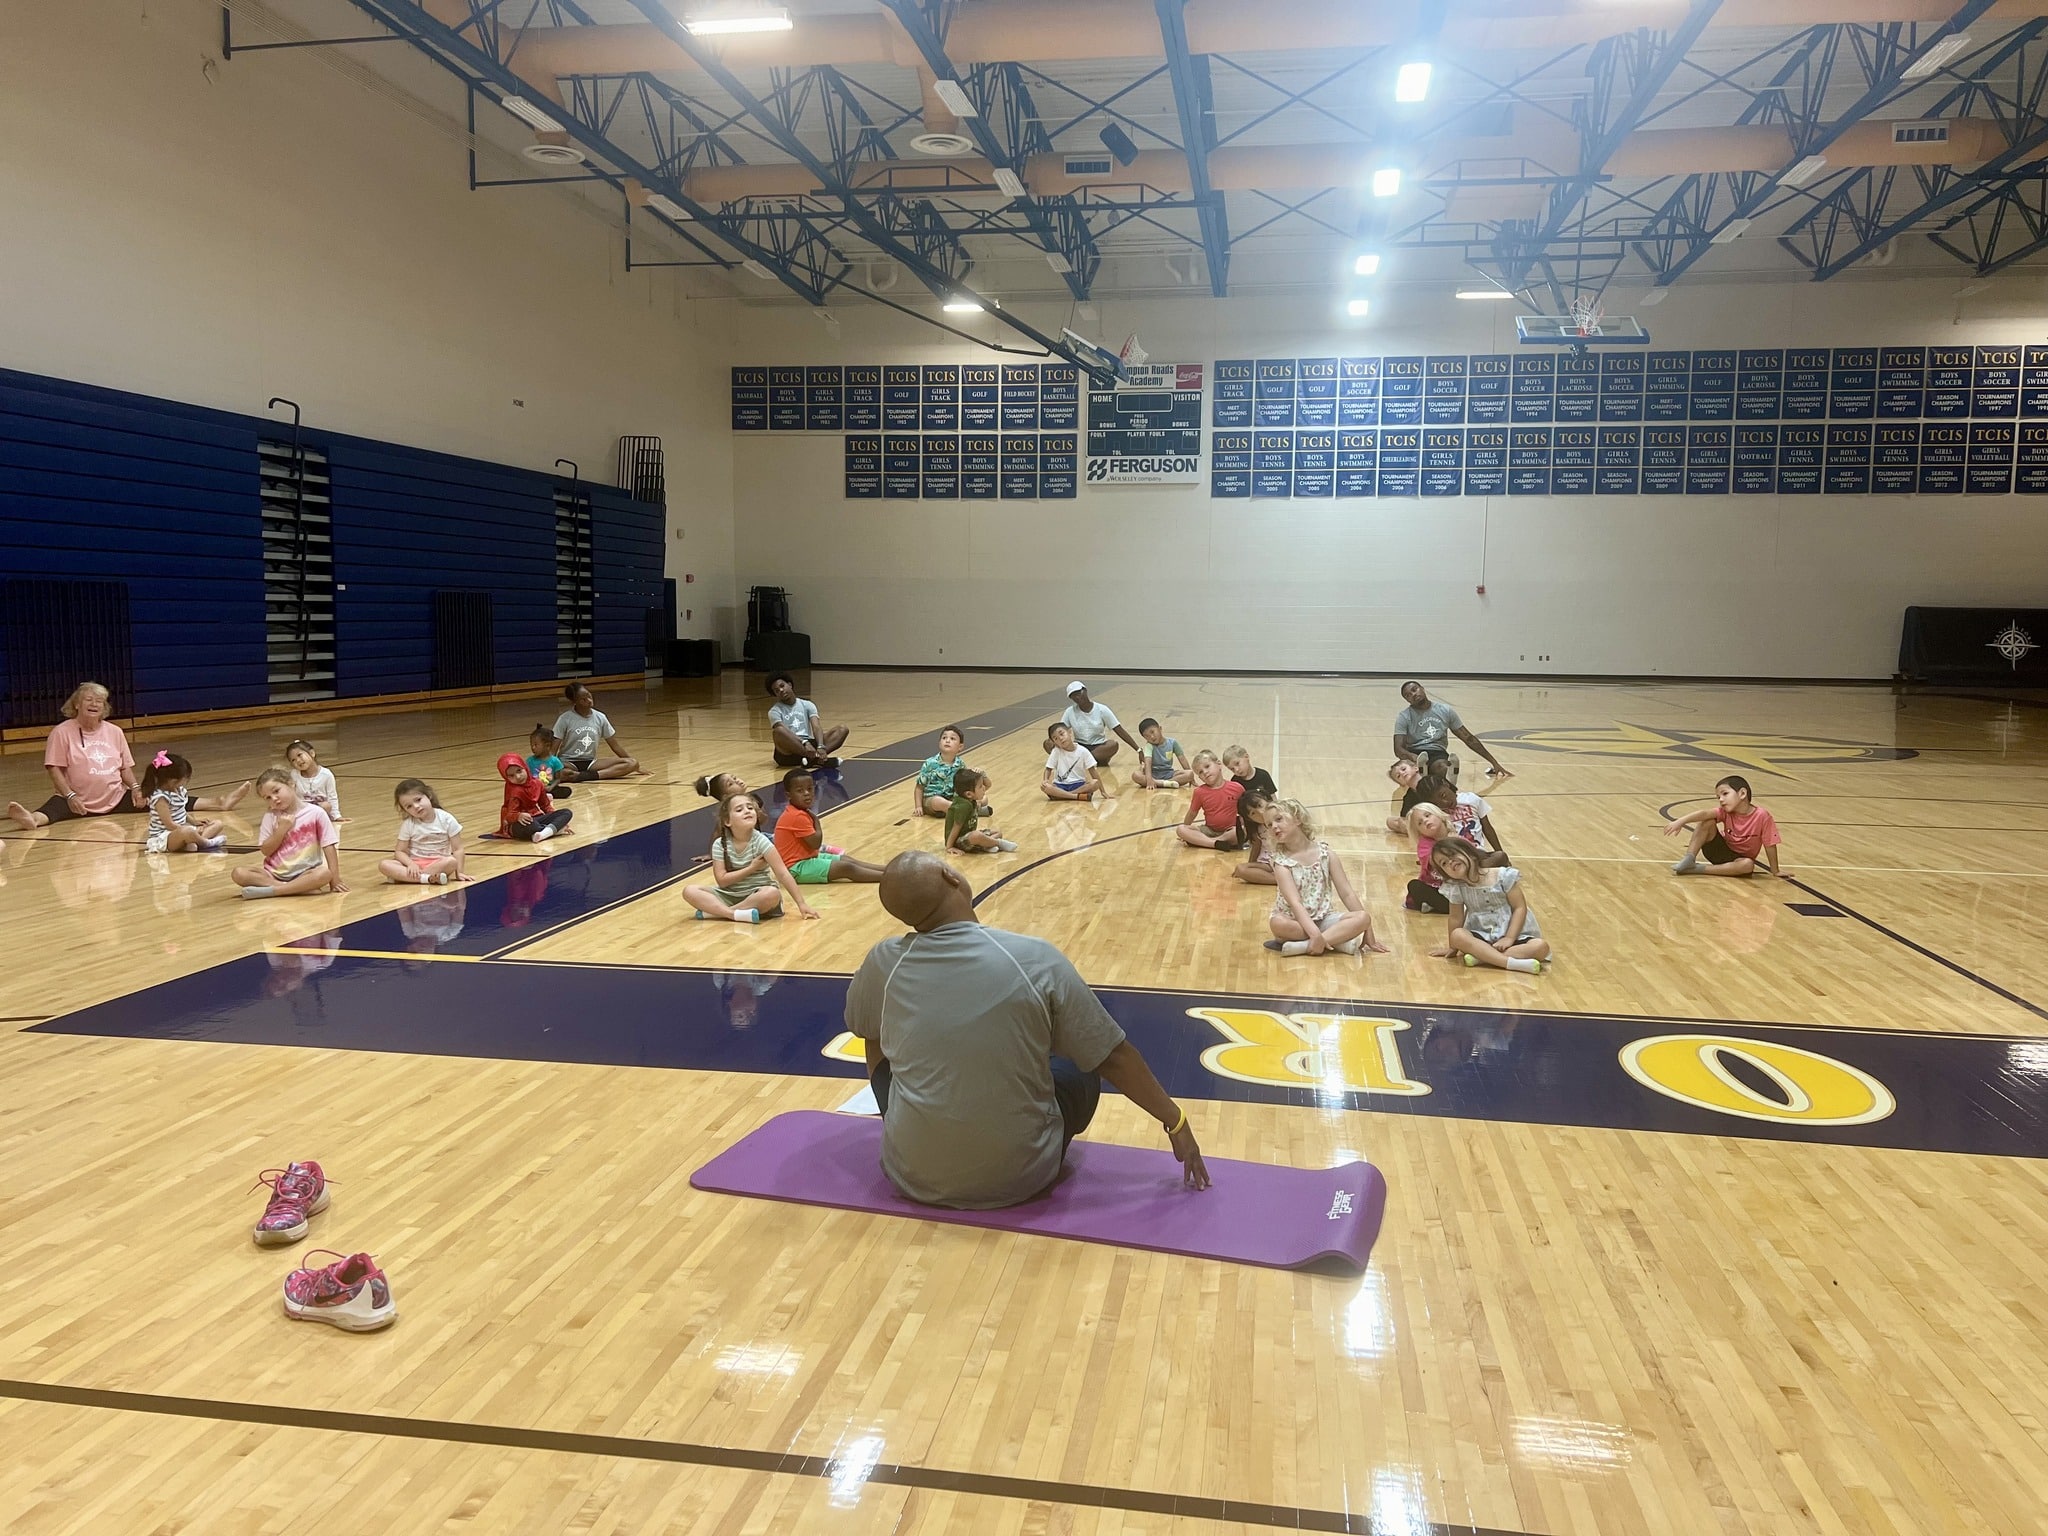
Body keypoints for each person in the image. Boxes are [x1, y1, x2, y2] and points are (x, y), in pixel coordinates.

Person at [845, 851, 1210, 1209]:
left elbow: (863, 1029)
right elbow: (1112, 1057)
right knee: (1079, 1063)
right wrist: (1175, 1121)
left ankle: (905, 1127)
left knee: (873, 1032)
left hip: (910, 1174)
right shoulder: (1033, 957)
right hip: (1022, 1178)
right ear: (952, 877)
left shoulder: (882, 961)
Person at [7, 682, 144, 830]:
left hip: (115, 797)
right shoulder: (61, 732)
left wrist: (136, 788)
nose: (94, 704)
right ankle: (31, 819)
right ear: (77, 704)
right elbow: (54, 769)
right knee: (49, 812)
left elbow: (125, 767)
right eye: (89, 699)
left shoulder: (115, 731)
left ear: (104, 707)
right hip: (75, 800)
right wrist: (70, 796)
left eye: (99, 701)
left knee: (156, 798)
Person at [1263, 799, 1388, 958]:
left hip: (1323, 919)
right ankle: (1335, 941)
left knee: (1363, 917)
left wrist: (1368, 931)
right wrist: (1315, 934)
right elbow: (1295, 903)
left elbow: (1347, 893)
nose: (1274, 826)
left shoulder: (1326, 854)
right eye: (1269, 824)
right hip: (1294, 921)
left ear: (1298, 818)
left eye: (1279, 819)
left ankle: (1305, 946)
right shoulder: (1281, 863)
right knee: (1277, 923)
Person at [685, 791, 816, 922]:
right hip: (729, 895)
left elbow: (783, 874)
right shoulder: (719, 844)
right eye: (739, 809)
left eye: (750, 808)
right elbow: (722, 880)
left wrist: (801, 903)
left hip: (758, 895)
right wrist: (751, 868)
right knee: (689, 890)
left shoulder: (762, 841)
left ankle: (719, 913)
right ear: (727, 821)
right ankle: (734, 914)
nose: (747, 811)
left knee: (772, 894)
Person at [1428, 836, 1550, 972]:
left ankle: (1482, 958)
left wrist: (1509, 938)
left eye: (1453, 855)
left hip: (1513, 933)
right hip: (1481, 934)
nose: (1450, 862)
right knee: (1457, 935)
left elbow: (1519, 907)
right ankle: (1510, 963)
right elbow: (1456, 918)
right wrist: (1453, 947)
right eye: (1443, 863)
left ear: (1471, 854)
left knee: (1541, 947)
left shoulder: (1503, 876)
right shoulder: (1456, 887)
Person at [232, 768, 346, 898]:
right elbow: (266, 850)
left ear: (291, 784)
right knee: (239, 873)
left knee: (324, 874)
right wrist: (281, 830)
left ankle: (274, 890)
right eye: (268, 798)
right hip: (273, 874)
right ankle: (294, 888)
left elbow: (329, 846)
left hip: (306, 874)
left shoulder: (316, 813)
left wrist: (335, 879)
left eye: (276, 791)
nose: (274, 799)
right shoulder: (270, 816)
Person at [775, 768, 885, 884]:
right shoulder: (796, 816)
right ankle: (889, 877)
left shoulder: (799, 812)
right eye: (800, 791)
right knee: (846, 868)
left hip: (807, 859)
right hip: (795, 868)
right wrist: (816, 821)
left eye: (810, 789)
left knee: (845, 860)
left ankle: (887, 869)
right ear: (788, 795)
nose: (807, 793)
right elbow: (816, 844)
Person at [1393, 681, 1512, 782]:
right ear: (1407, 700)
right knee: (1405, 773)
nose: (1413, 694)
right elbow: (1398, 749)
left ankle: (1445, 778)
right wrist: (1412, 756)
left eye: (1415, 689)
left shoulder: (1445, 710)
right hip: (1415, 752)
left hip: (1437, 751)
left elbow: (1468, 738)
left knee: (1443, 768)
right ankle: (1421, 772)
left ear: (1422, 689)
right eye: (1408, 695)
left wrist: (1494, 763)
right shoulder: (1404, 717)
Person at [1666, 774, 1782, 877]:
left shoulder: (1762, 816)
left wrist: (1775, 870)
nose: (1721, 799)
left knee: (1748, 865)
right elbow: (1704, 813)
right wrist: (1681, 821)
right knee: (1707, 820)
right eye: (1718, 797)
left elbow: (1770, 844)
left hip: (1740, 860)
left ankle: (1697, 869)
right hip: (1718, 851)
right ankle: (1689, 859)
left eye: (1725, 794)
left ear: (1742, 793)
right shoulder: (1725, 812)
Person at [138, 750, 246, 854]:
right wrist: (192, 830)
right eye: (185, 778)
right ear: (173, 781)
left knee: (218, 823)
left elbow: (181, 811)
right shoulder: (160, 797)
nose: (186, 781)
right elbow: (169, 824)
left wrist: (195, 822)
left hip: (181, 829)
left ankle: (192, 843)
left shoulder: (179, 791)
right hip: (164, 837)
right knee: (187, 832)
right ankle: (205, 842)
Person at [378, 778, 470, 884]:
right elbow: (400, 851)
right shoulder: (409, 824)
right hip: (414, 864)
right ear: (405, 810)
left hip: (439, 864)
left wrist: (460, 873)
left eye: (418, 800)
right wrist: (411, 864)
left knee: (451, 861)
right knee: (384, 865)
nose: (416, 807)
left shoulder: (446, 819)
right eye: (409, 806)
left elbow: (458, 849)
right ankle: (427, 879)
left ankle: (407, 878)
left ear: (429, 796)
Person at [553, 684, 643, 779]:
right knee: (559, 773)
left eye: (588, 695)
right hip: (568, 762)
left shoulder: (600, 717)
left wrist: (636, 768)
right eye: (583, 699)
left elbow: (615, 746)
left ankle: (586, 776)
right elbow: (552, 751)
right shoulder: (564, 719)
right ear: (574, 701)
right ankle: (576, 775)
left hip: (591, 763)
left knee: (632, 763)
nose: (589, 700)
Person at [766, 672, 848, 769]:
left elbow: (816, 727)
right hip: (789, 750)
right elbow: (784, 731)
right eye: (776, 690)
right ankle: (819, 760)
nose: (781, 690)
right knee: (778, 731)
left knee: (842, 729)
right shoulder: (774, 711)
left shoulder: (807, 704)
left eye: (782, 686)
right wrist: (804, 742)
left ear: (790, 685)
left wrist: (821, 746)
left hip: (809, 745)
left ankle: (813, 759)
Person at [1061, 681, 1144, 768]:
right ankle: (1089, 759)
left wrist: (1138, 750)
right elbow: (1060, 729)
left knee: (1113, 745)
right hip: (1079, 746)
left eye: (1079, 693)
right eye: (1073, 695)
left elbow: (1119, 730)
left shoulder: (1102, 709)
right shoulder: (1070, 711)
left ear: (1085, 690)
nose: (1077, 697)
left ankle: (1080, 759)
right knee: (1048, 744)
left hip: (1098, 747)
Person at [497, 752, 572, 843]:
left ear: (525, 767)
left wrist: (553, 816)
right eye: (511, 776)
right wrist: (519, 816)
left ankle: (543, 833)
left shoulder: (537, 783)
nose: (518, 777)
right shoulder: (513, 790)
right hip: (520, 824)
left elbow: (545, 805)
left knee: (566, 812)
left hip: (537, 818)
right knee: (532, 826)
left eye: (519, 771)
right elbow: (509, 815)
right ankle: (553, 831)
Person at [1175, 751, 1243, 849]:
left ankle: (1207, 842)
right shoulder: (1199, 792)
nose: (1205, 772)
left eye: (1207, 766)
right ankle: (1215, 843)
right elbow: (1192, 813)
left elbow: (1245, 812)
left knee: (1237, 833)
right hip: (1209, 830)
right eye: (1201, 772)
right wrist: (1186, 828)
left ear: (1219, 764)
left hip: (1231, 830)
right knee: (1181, 829)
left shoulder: (1237, 788)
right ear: (1199, 778)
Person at [943, 768, 1018, 854]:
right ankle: (999, 843)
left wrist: (982, 774)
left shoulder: (970, 799)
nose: (984, 788)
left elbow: (988, 785)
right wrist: (950, 847)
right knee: (976, 836)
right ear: (969, 794)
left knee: (997, 832)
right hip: (959, 842)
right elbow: (956, 827)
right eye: (980, 787)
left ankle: (985, 845)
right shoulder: (963, 806)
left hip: (970, 836)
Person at [915, 725, 971, 818]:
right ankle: (964, 810)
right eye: (944, 738)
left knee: (982, 799)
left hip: (952, 798)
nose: (947, 740)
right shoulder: (930, 763)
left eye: (952, 738)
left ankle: (956, 809)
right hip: (931, 799)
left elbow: (964, 785)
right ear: (939, 742)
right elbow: (919, 787)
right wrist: (918, 806)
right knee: (938, 801)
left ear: (960, 747)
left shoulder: (960, 764)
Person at [1040, 722, 1102, 802]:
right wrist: (1045, 781)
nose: (1060, 739)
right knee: (1045, 787)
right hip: (1060, 785)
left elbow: (1093, 771)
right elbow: (1048, 769)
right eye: (1056, 739)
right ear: (1054, 743)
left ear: (1069, 732)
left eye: (1062, 734)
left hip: (1079, 785)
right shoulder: (1056, 752)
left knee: (1095, 783)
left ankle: (1062, 795)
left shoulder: (1083, 751)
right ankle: (1076, 796)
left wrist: (1103, 792)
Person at [286, 740, 343, 822]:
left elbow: (332, 797)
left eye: (299, 755)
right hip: (302, 810)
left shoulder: (327, 774)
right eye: (293, 760)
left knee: (326, 806)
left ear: (312, 753)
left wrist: (337, 816)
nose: (298, 760)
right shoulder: (294, 775)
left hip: (320, 809)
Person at [1231, 788, 1278, 885]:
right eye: (1253, 813)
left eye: (1260, 805)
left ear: (1266, 799)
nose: (1260, 812)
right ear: (1250, 819)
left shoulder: (1281, 818)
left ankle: (1283, 879)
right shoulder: (1258, 828)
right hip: (1268, 863)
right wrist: (1250, 866)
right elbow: (1256, 845)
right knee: (1241, 869)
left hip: (1288, 859)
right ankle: (1279, 880)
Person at [1131, 718, 1192, 789]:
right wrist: (1149, 779)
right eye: (1147, 736)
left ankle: (1159, 783)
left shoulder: (1172, 743)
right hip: (1153, 774)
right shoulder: (1149, 746)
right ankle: (1165, 783)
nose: (1152, 737)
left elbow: (1182, 759)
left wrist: (1192, 779)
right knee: (1135, 775)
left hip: (1168, 774)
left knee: (1189, 774)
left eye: (1152, 732)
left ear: (1160, 729)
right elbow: (1148, 762)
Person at [525, 725, 574, 798]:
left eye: (536, 745)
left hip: (549, 788)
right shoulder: (529, 761)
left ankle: (543, 796)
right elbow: (527, 779)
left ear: (547, 746)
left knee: (566, 791)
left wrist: (551, 787)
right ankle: (542, 796)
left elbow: (558, 779)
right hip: (535, 788)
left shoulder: (555, 761)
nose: (533, 748)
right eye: (531, 745)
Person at [1384, 759, 1429, 834]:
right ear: (1401, 784)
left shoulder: (1431, 782)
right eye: (1398, 776)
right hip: (1422, 820)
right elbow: (1404, 817)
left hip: (1442, 815)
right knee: (1390, 821)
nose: (1402, 773)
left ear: (1415, 768)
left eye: (1403, 769)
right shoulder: (1408, 797)